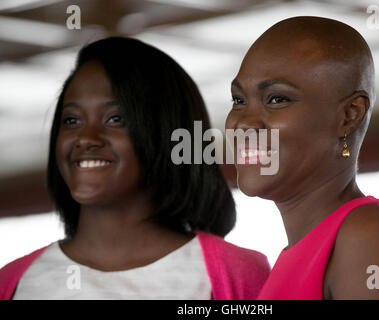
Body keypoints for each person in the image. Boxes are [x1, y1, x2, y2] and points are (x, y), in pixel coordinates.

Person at [0, 37, 270, 300]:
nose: (85, 137)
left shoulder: (240, 274)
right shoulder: (10, 283)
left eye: (115, 119)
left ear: (168, 135)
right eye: (71, 120)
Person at [225, 16, 379, 299]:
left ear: (350, 115)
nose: (244, 124)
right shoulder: (297, 256)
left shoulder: (367, 236)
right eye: (239, 101)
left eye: (277, 99)